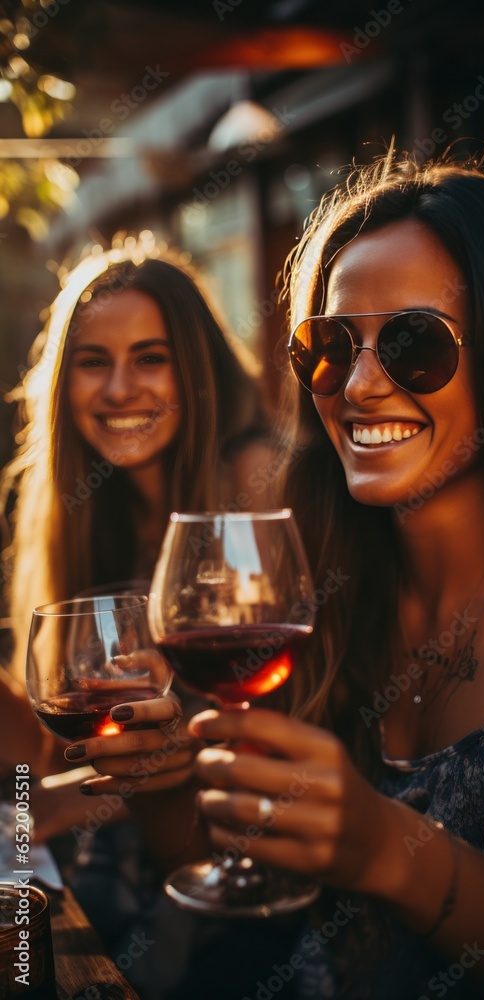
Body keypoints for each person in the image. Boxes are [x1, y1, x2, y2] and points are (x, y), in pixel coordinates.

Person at [67, 156, 484, 998]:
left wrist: (382, 850)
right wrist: (160, 785)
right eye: (331, 346)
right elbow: (234, 869)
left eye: (412, 343)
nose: (361, 386)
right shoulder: (323, 594)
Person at [0, 237, 276, 996]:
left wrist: (56, 805)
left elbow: (256, 741)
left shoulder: (252, 480)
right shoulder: (87, 514)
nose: (119, 388)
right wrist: (41, 806)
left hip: (232, 898)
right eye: (94, 361)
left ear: (198, 370)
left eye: (151, 357)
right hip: (124, 867)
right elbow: (53, 759)